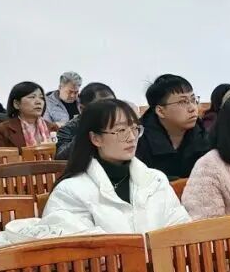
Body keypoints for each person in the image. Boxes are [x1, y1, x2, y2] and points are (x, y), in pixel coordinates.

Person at [42, 99, 190, 233]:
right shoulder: (70, 191)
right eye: (121, 131)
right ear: (96, 138)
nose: (131, 138)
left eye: (135, 129)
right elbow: (77, 247)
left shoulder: (155, 180)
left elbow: (181, 230)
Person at [135, 74, 209, 181]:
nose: (192, 108)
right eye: (182, 102)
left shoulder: (203, 135)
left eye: (193, 100)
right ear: (160, 111)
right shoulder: (137, 139)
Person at [55, 82, 116, 159]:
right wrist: (86, 131)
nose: (108, 111)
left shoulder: (122, 124)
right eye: (101, 106)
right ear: (82, 109)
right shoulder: (68, 129)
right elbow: (60, 158)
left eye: (112, 105)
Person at [0, 82, 54, 148]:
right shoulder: (1, 130)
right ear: (16, 104)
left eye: (41, 98)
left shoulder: (52, 128)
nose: (39, 102)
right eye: (32, 97)